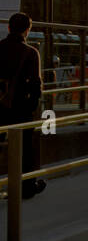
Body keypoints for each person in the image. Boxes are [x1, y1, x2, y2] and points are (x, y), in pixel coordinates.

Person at [0, 12, 46, 199]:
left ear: (9, 28)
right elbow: (36, 86)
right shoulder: (30, 53)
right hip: (19, 109)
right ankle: (26, 186)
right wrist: (30, 108)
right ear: (27, 30)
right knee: (26, 149)